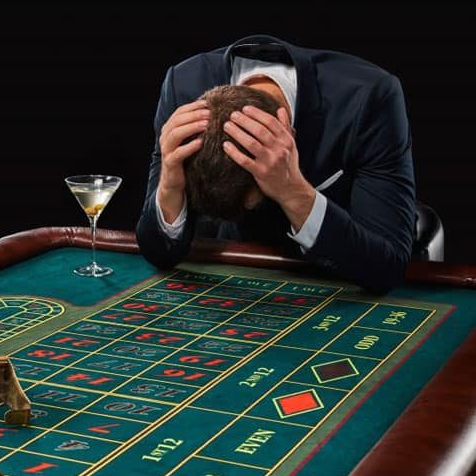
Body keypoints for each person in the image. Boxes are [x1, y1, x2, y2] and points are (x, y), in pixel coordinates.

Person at [135, 35, 416, 293]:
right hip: (239, 276)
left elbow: (387, 269)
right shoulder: (183, 86)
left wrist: (293, 191)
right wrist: (169, 186)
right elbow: (160, 252)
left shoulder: (369, 96)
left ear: (288, 134)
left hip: (338, 278)